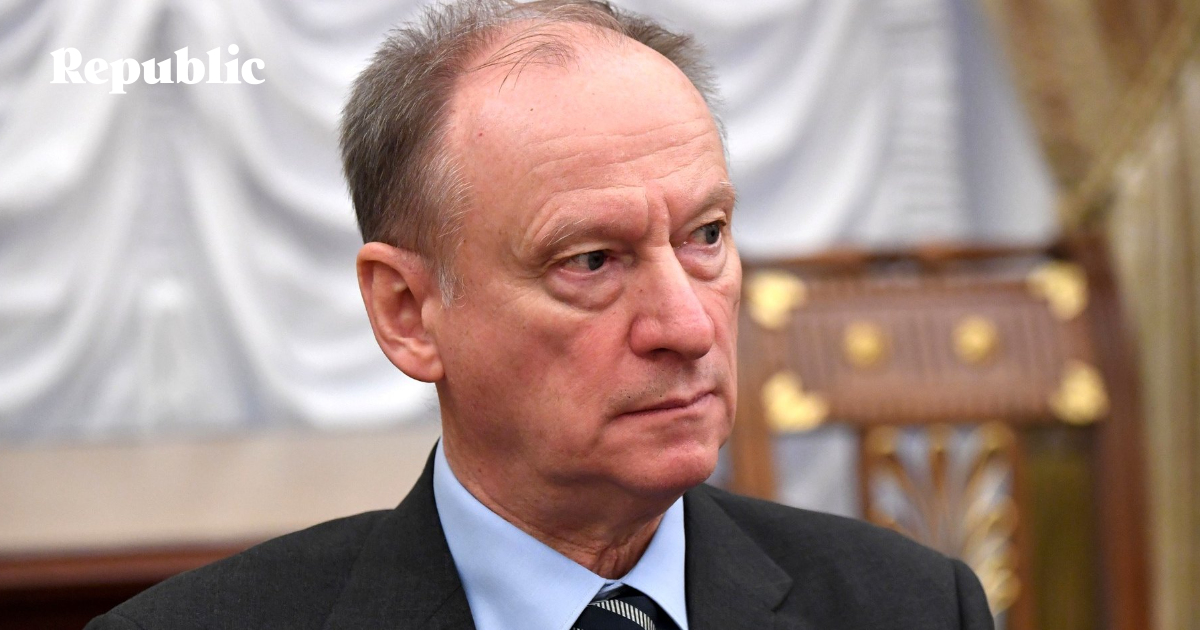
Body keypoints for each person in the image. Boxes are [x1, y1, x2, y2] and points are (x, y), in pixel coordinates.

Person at [87, 1, 994, 628]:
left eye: (706, 236)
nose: (687, 327)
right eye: (591, 261)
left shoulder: (913, 607)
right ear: (407, 313)